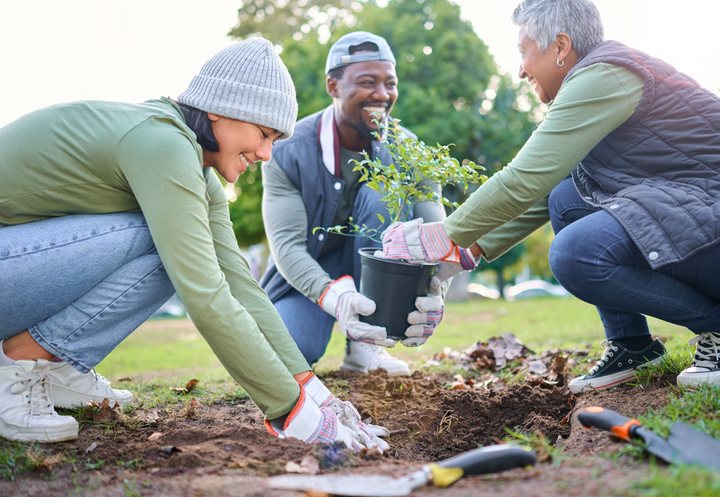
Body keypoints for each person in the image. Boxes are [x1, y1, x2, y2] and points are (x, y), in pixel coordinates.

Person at [0, 38, 389, 451]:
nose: (266, 153)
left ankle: (58, 367)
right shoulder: (162, 145)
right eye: (262, 133)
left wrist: (317, 396)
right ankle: (21, 363)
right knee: (166, 238)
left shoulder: (196, 169)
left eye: (275, 139)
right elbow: (206, 294)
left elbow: (239, 282)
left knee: (180, 238)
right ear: (219, 109)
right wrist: (296, 415)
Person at [381, 0, 720, 392]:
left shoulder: (606, 75)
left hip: (709, 216)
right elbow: (545, 193)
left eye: (523, 51)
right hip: (694, 212)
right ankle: (633, 345)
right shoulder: (595, 86)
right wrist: (463, 253)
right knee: (567, 196)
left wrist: (442, 234)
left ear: (561, 47)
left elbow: (525, 178)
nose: (520, 69)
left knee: (577, 255)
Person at [260, 32, 448, 376]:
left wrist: (438, 284)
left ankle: (366, 348)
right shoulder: (288, 149)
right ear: (333, 86)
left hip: (380, 270)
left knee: (380, 192)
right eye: (367, 82)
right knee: (288, 353)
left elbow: (436, 233)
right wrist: (336, 296)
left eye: (390, 83)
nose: (382, 94)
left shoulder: (410, 151)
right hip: (309, 273)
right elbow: (286, 247)